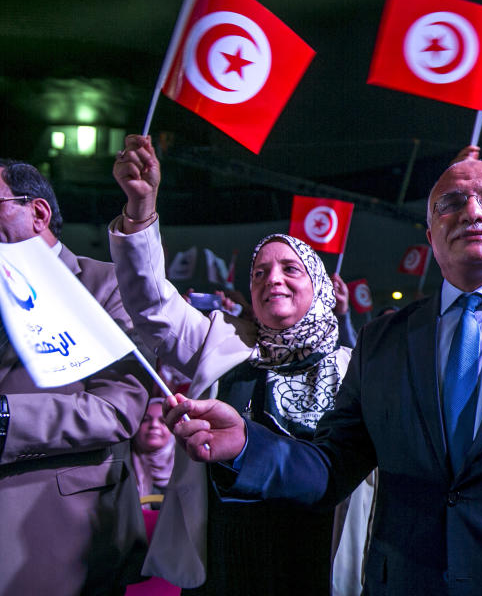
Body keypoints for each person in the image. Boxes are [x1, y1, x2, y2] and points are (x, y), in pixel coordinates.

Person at [165, 158, 482, 595]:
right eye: (450, 202)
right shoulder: (383, 341)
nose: (473, 211)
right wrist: (247, 445)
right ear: (429, 235)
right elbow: (333, 464)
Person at [109, 134, 363, 595]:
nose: (273, 279)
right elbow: (150, 304)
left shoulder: (356, 367)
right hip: (226, 556)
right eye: (260, 272)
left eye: (290, 268)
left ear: (321, 286)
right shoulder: (222, 342)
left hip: (317, 558)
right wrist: (141, 208)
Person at [0, 159, 149, 595]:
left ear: (38, 213)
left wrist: (8, 418)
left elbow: (116, 409)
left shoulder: (109, 285)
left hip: (65, 536)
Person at [132, 397, 175, 499]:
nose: (154, 425)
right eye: (146, 420)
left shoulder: (185, 466)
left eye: (163, 421)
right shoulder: (123, 465)